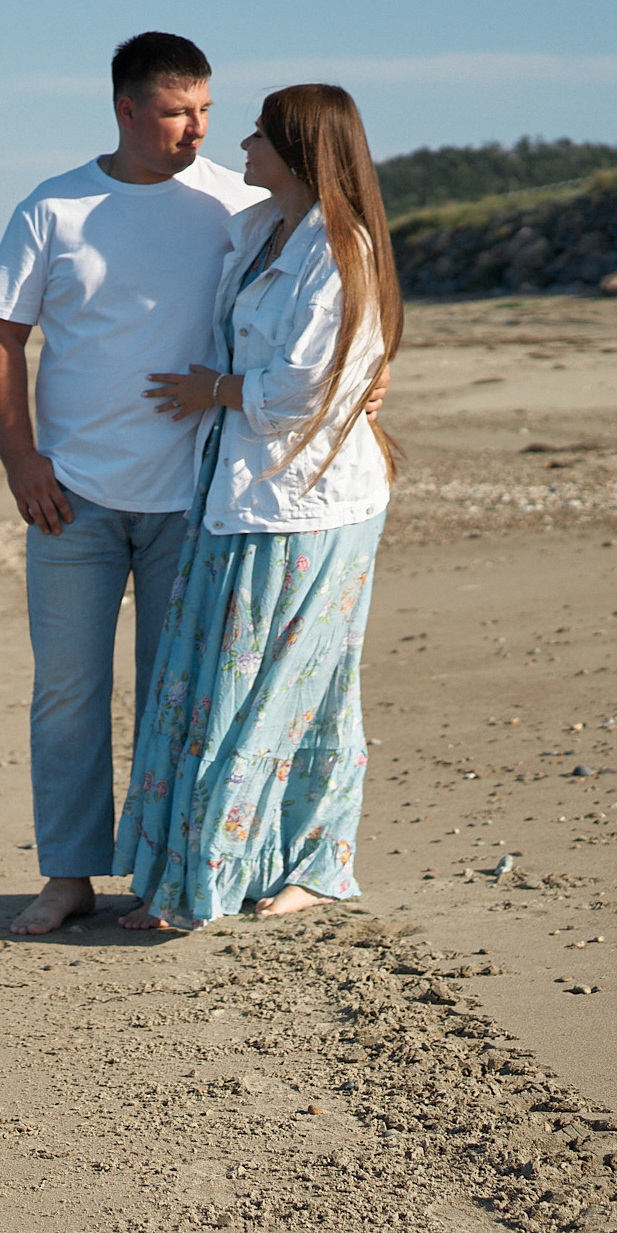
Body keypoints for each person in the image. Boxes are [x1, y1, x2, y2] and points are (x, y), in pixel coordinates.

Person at [0, 32, 266, 935]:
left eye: (206, 110)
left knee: (173, 695)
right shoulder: (54, 207)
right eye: (177, 112)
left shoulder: (238, 204)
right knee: (67, 695)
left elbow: (317, 288)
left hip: (195, 497)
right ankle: (68, 874)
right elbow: (2, 333)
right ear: (127, 110)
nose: (196, 129)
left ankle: (160, 870)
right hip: (73, 498)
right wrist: (21, 458)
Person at [113, 83, 400, 930]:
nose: (242, 144)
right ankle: (236, 866)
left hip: (311, 504)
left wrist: (217, 389)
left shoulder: (339, 249)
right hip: (239, 491)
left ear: (300, 151)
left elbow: (310, 385)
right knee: (219, 682)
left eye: (261, 135)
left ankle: (266, 870)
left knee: (286, 687)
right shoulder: (260, 230)